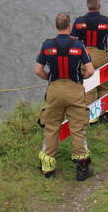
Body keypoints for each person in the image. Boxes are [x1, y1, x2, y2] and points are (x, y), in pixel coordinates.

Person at [36, 13, 96, 180]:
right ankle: (82, 168)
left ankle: (47, 167)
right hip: (74, 90)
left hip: (54, 90)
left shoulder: (47, 45)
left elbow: (38, 70)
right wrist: (81, 78)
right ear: (69, 26)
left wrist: (49, 77)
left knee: (51, 127)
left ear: (56, 26)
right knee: (77, 128)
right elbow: (90, 70)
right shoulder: (79, 45)